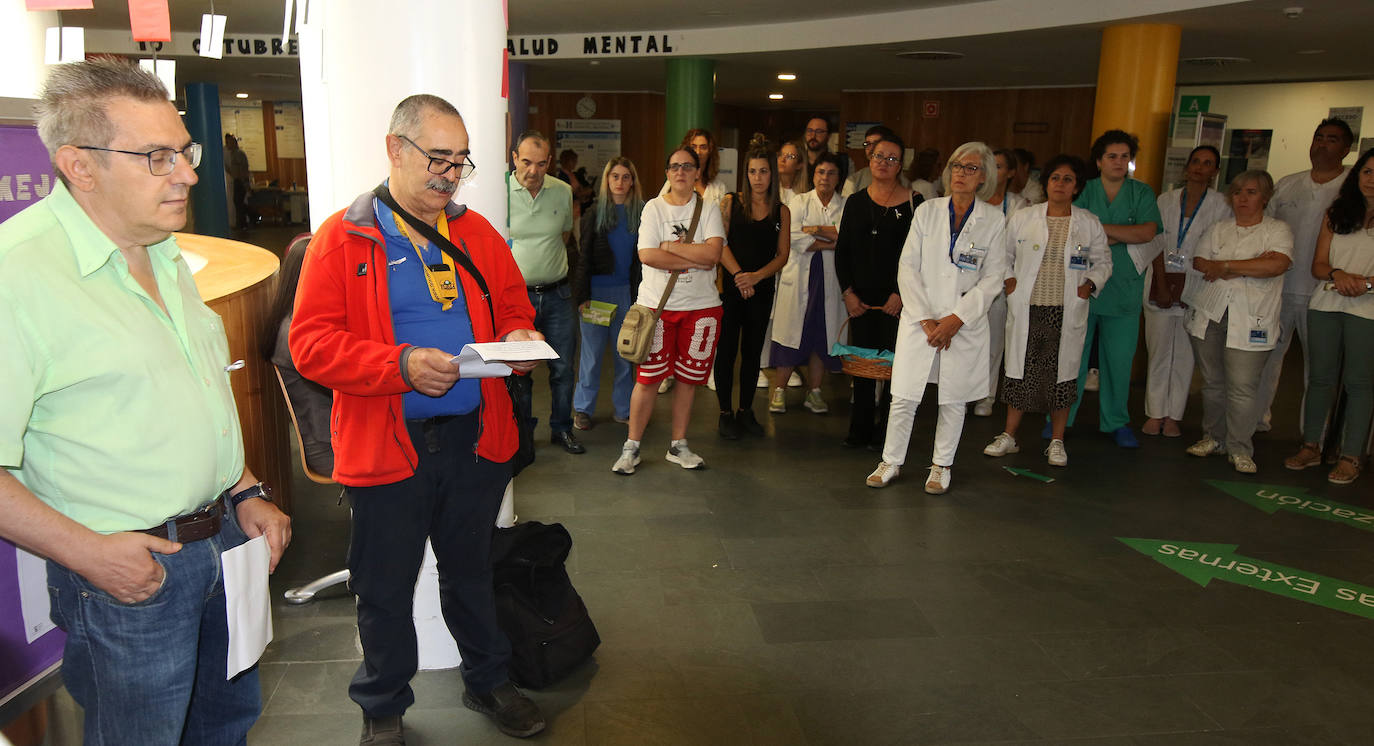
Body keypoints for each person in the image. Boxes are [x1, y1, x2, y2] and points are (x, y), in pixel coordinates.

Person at [0, 58, 291, 745]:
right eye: (157, 157)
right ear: (79, 165)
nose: (188, 174)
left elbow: (196, 396)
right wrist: (91, 555)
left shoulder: (162, 250)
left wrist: (246, 489)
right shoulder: (17, 276)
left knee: (226, 726)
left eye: (182, 152)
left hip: (223, 541)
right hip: (129, 572)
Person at [290, 94, 546, 742]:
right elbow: (310, 346)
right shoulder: (342, 237)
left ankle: (488, 682)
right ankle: (383, 710)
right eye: (439, 158)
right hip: (386, 448)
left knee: (471, 575)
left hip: (473, 442)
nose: (451, 174)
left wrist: (518, 337)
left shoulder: (478, 234)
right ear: (395, 149)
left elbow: (515, 305)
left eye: (462, 161)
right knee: (383, 590)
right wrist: (398, 366)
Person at [866, 142, 1008, 492]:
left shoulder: (993, 220)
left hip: (963, 323)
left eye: (971, 168)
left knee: (953, 397)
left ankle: (941, 465)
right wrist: (928, 319)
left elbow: (993, 277)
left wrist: (955, 320)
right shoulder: (928, 211)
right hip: (921, 319)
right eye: (957, 166)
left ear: (983, 177)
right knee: (904, 395)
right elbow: (907, 267)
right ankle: (891, 461)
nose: (961, 173)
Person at [982, 155, 1112, 468]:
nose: (1060, 184)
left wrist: (1090, 285)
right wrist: (1010, 280)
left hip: (1065, 310)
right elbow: (1003, 254)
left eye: (1068, 179)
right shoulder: (1025, 217)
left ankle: (1057, 441)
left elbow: (1103, 261)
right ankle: (1009, 436)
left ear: (1076, 187)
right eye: (1055, 178)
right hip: (1028, 306)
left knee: (1062, 377)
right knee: (1019, 373)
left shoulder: (1088, 222)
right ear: (1047, 183)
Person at [612, 147, 725, 475]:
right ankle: (631, 446)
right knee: (647, 379)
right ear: (666, 172)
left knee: (688, 380)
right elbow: (648, 255)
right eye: (674, 166)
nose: (681, 172)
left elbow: (714, 255)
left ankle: (678, 444)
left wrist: (672, 247)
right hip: (656, 308)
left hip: (701, 308)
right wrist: (696, 254)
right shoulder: (653, 208)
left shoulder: (710, 209)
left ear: (697, 173)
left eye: (687, 167)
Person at [1183, 170, 1293, 474]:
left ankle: (1240, 447)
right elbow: (1201, 262)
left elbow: (1277, 264)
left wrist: (1228, 266)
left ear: (1265, 197)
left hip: (1252, 318)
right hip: (1212, 314)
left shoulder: (1277, 230)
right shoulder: (1218, 229)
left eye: (1252, 192)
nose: (1243, 198)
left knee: (1243, 387)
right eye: (1238, 192)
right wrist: (1250, 265)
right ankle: (1213, 437)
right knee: (1213, 384)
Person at [1254, 118, 1355, 433]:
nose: (1322, 144)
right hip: (1280, 289)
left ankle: (1316, 434)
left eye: (1332, 139)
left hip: (1326, 291)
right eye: (1319, 137)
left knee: (1320, 369)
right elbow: (1264, 230)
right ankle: (1255, 421)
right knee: (1265, 359)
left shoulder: (1352, 188)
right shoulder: (1288, 184)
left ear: (1347, 148)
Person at [1067, 129, 1162, 448]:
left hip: (1124, 288)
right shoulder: (1083, 190)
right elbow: (1070, 228)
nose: (1119, 162)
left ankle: (1116, 421)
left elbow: (1148, 232)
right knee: (1072, 358)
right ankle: (1062, 417)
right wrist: (1123, 233)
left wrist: (1098, 231)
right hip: (1082, 286)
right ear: (1099, 161)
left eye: (1125, 156)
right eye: (1112, 156)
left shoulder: (1142, 193)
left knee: (1119, 361)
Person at [1284, 149, 1374, 484]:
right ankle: (1311, 447)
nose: (1372, 180)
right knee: (1320, 378)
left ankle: (1352, 455)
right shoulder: (1335, 213)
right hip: (1326, 304)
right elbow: (1318, 266)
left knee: (1360, 383)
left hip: (1368, 308)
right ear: (1357, 175)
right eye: (1367, 172)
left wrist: (1362, 282)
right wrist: (1339, 275)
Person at [835, 135, 921, 449]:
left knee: (894, 370)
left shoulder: (915, 202)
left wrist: (901, 294)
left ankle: (887, 434)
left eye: (891, 158)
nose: (883, 163)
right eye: (878, 156)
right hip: (860, 300)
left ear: (901, 165)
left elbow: (919, 256)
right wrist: (847, 292)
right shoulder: (855, 202)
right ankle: (859, 430)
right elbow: (842, 251)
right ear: (869, 158)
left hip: (898, 301)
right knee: (863, 368)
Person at [1142, 146, 1231, 438]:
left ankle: (1173, 416)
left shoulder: (1221, 204)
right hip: (1160, 281)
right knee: (1157, 351)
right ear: (1187, 166)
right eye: (1196, 162)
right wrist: (1163, 280)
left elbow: (1221, 246)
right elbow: (1154, 240)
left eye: (1207, 164)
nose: (1200, 167)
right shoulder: (1164, 199)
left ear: (1215, 172)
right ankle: (1154, 413)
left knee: (1183, 355)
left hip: (1196, 283)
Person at [509, 130, 584, 454]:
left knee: (563, 368)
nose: (533, 171)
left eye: (541, 164)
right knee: (521, 371)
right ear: (514, 159)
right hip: (517, 299)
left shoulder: (563, 191)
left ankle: (562, 429)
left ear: (549, 163)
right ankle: (524, 433)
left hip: (558, 294)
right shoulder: (500, 193)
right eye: (526, 162)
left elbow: (565, 235)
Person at [715, 137, 790, 438]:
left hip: (761, 289)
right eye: (752, 172)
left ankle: (746, 411)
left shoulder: (781, 211)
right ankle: (724, 413)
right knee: (727, 350)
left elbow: (782, 255)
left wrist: (756, 277)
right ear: (745, 174)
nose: (757, 178)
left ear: (772, 174)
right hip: (732, 289)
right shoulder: (731, 203)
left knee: (752, 352)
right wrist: (739, 277)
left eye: (763, 171)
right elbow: (719, 244)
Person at [771, 152, 847, 415]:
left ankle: (814, 392)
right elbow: (793, 237)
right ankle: (778, 391)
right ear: (813, 175)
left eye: (831, 173)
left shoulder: (846, 205)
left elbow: (847, 236)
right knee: (791, 337)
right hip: (801, 279)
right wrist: (831, 240)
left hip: (830, 282)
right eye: (820, 172)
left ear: (839, 178)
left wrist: (814, 230)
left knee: (821, 337)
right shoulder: (798, 202)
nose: (825, 178)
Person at [571, 157, 644, 431]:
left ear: (632, 181)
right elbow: (583, 257)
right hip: (597, 296)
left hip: (627, 294)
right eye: (615, 176)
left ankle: (624, 409)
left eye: (626, 177)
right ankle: (583, 409)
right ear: (607, 180)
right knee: (591, 357)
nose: (621, 182)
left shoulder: (642, 212)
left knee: (625, 356)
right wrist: (582, 296)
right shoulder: (595, 213)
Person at [266, 233, 334, 476]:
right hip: (328, 449)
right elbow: (341, 386)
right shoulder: (296, 334)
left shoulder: (293, 317)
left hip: (330, 437)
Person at [974, 148, 1031, 416]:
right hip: (971, 279)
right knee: (967, 339)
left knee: (994, 341)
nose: (991, 172)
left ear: (1009, 172)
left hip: (1003, 282)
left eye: (997, 166)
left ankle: (986, 394)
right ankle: (964, 391)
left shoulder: (1020, 205)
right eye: (987, 166)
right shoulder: (973, 200)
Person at [843, 125, 910, 196]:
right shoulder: (854, 180)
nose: (871, 148)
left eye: (876, 143)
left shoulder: (904, 183)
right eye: (868, 144)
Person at [804, 117, 849, 187]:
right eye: (809, 130)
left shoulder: (842, 161)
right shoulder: (797, 159)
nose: (813, 135)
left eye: (819, 131)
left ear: (829, 135)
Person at [557, 147, 594, 217]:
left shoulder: (572, 174)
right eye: (573, 161)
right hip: (568, 212)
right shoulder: (562, 177)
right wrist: (582, 194)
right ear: (567, 161)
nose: (575, 163)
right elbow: (566, 195)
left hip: (576, 209)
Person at [225, 132, 252, 228]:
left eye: (228, 143)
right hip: (237, 180)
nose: (227, 145)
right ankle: (242, 223)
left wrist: (245, 183)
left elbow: (243, 170)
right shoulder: (233, 154)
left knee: (239, 203)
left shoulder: (239, 154)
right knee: (238, 203)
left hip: (240, 181)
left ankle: (245, 222)